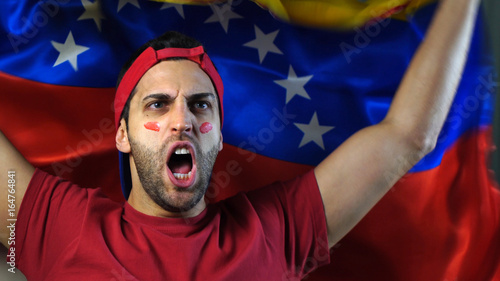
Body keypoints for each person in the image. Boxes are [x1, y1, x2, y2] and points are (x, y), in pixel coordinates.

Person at [0, 0, 482, 279]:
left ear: (219, 137)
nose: (181, 120)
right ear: (122, 134)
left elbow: (407, 137)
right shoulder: (57, 228)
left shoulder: (277, 232)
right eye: (157, 104)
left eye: (200, 105)